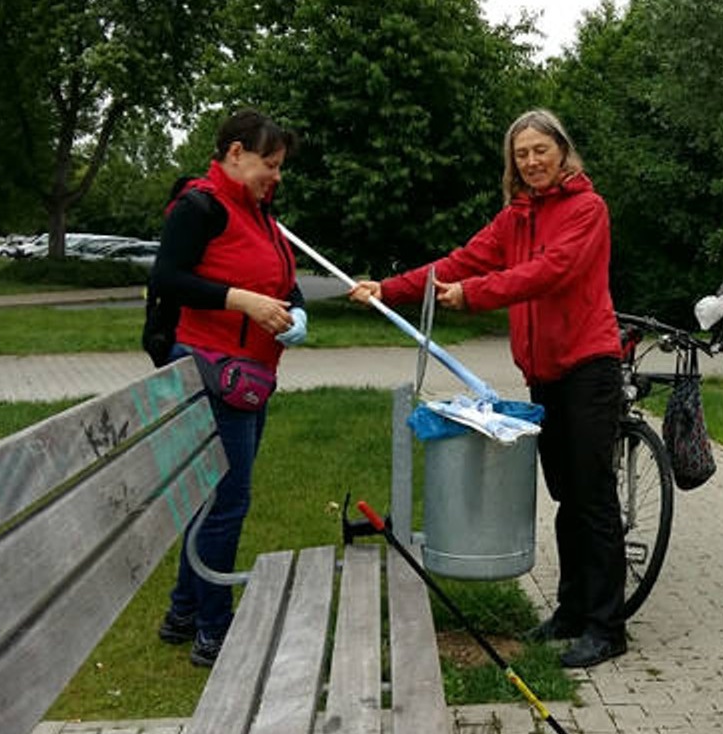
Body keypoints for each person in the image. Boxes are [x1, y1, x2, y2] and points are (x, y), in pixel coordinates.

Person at [349, 109, 627, 669]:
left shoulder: (586, 210)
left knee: (592, 499)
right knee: (565, 499)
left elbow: (552, 272)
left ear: (563, 151)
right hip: (543, 374)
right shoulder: (515, 218)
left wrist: (473, 295)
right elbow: (459, 261)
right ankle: (572, 612)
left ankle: (607, 626)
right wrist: (390, 288)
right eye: (521, 154)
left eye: (540, 150)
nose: (531, 162)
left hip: (588, 368)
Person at [148, 108, 306, 668]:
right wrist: (242, 300)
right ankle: (215, 631)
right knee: (227, 500)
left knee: (211, 496)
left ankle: (184, 611)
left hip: (252, 375)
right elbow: (167, 277)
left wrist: (294, 311)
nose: (276, 175)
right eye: (270, 163)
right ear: (234, 154)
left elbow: (280, 281)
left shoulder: (261, 215)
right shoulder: (201, 207)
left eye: (281, 166)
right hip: (212, 371)